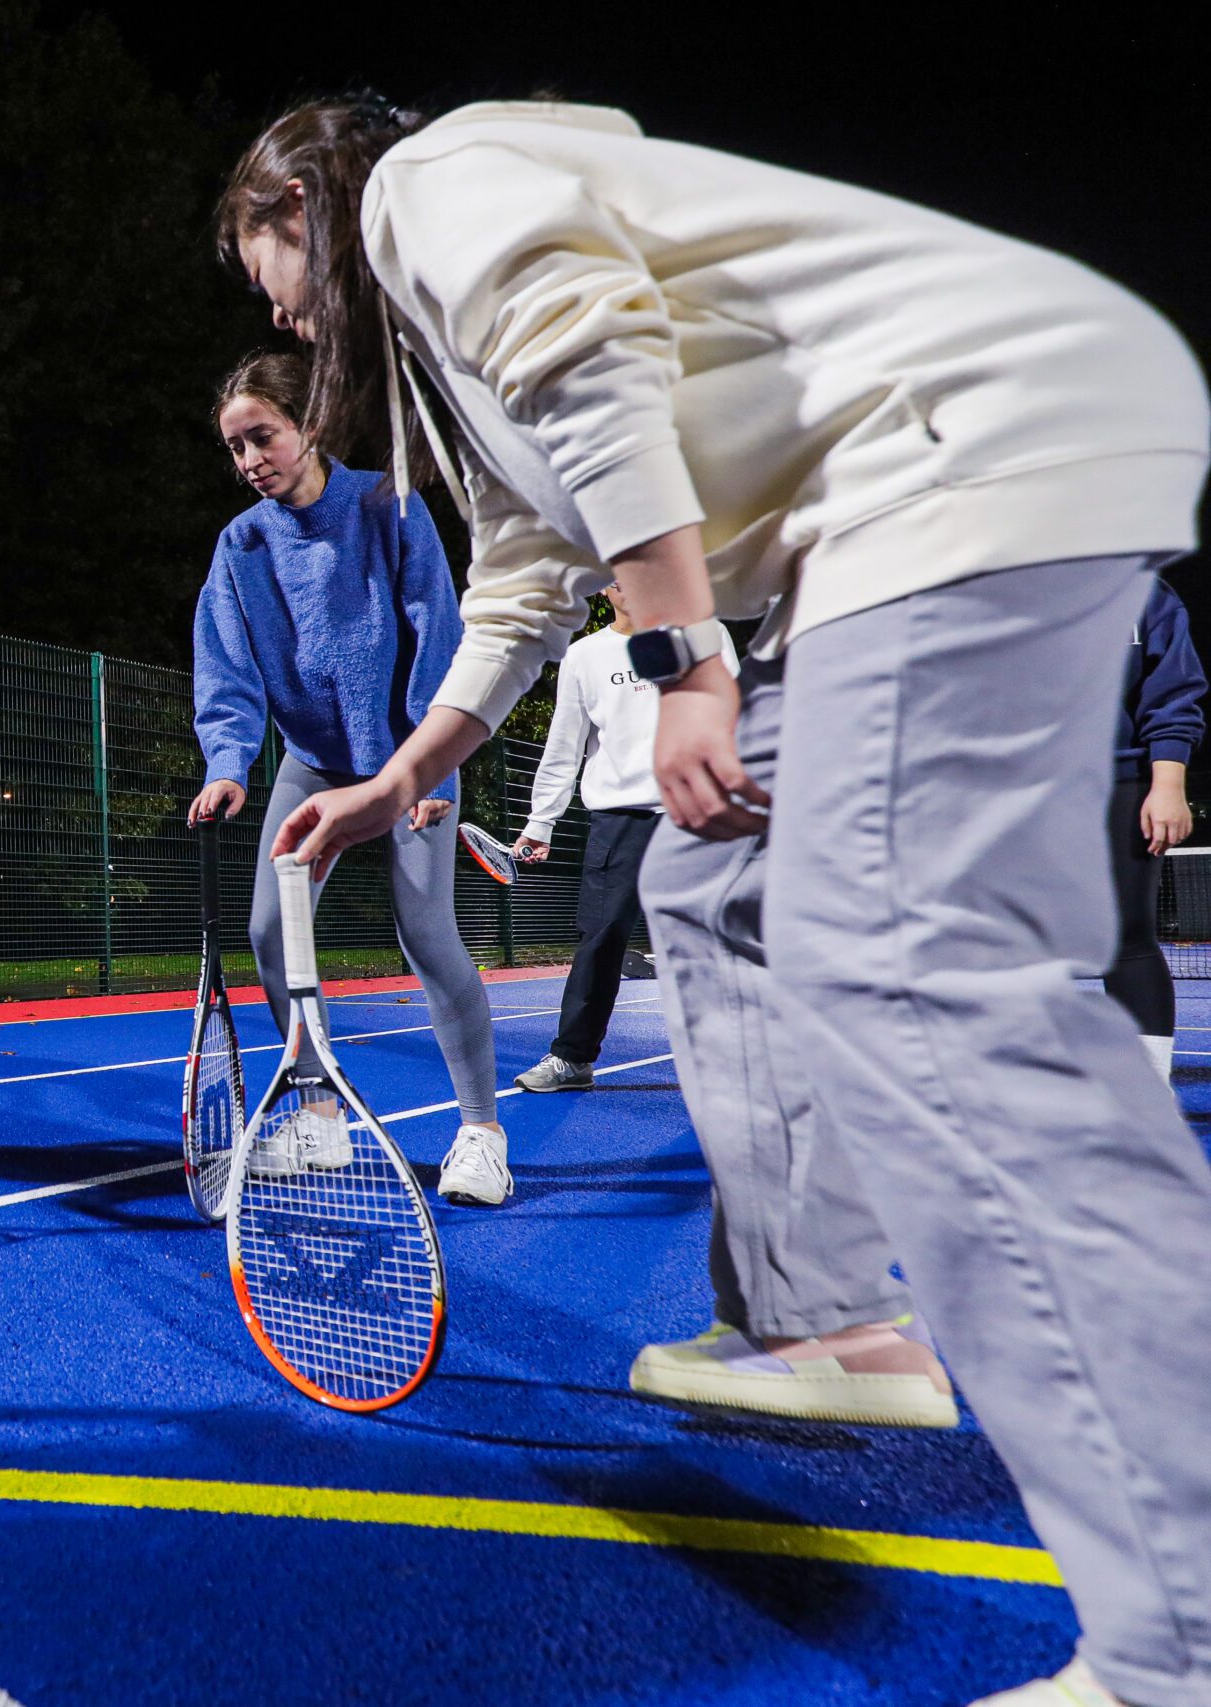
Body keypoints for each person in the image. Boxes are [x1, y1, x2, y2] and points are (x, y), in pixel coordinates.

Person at [219, 95, 1210, 1707]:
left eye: (259, 258)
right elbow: (531, 574)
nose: (267, 304)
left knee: (908, 968)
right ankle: (828, 1322)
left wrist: (680, 656)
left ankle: (1180, 1625)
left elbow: (592, 363)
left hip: (959, 471)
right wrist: (408, 774)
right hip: (885, 518)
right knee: (712, 882)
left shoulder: (428, 183)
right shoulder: (448, 357)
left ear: (299, 200)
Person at [188, 351, 508, 1207]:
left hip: (409, 754)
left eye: (263, 435)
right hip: (312, 761)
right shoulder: (240, 546)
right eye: (235, 447)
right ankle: (318, 1114)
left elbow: (437, 629)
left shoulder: (386, 505)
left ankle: (482, 1132)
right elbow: (226, 670)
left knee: (425, 933)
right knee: (268, 928)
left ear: (311, 425)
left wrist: (430, 764)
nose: (250, 458)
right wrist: (228, 763)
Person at [511, 582, 734, 1093]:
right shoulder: (584, 656)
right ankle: (572, 1059)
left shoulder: (706, 635)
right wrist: (540, 820)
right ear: (606, 586)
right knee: (601, 940)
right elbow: (564, 744)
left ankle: (732, 1060)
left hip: (698, 815)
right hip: (620, 822)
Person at [1106, 578, 1203, 1080]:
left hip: (1118, 781)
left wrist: (1169, 781)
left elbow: (1173, 692)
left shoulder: (1144, 592)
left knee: (1127, 940)